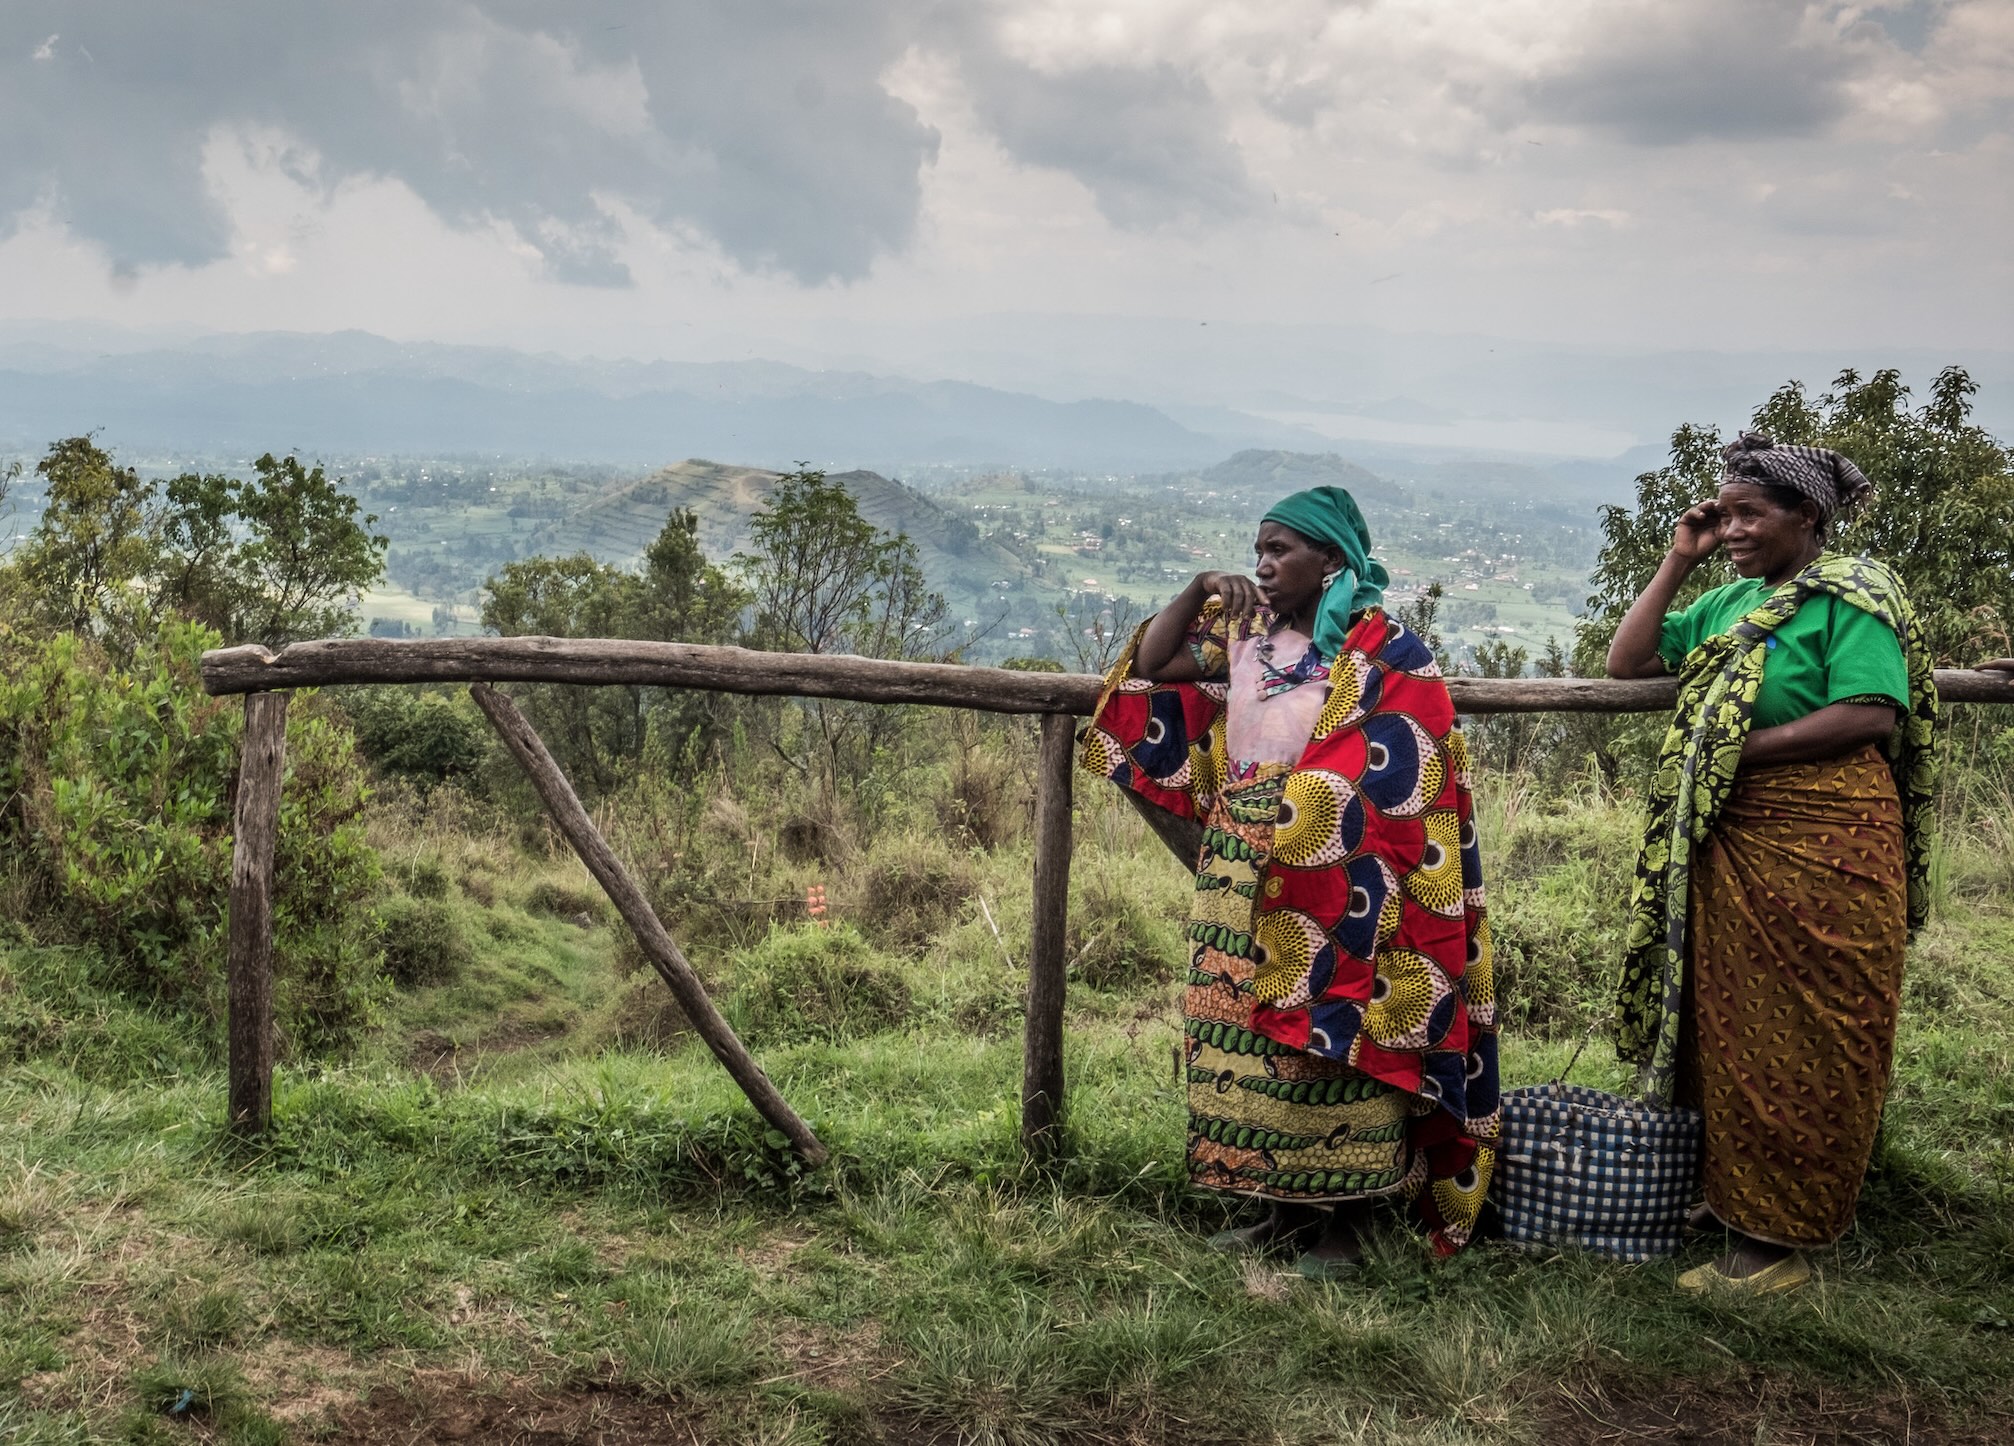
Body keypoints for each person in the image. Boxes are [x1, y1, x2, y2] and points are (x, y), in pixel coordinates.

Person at [1080, 486, 1497, 1278]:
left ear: (1331, 558)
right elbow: (1152, 666)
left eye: (1282, 551)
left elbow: (1418, 768)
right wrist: (1201, 586)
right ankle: (1272, 1212)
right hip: (1239, 863)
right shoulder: (1242, 634)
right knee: (1241, 1033)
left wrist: (1318, 818)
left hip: (1351, 884)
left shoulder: (1385, 650)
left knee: (1331, 1043)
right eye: (1258, 550)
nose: (1264, 567)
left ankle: (1343, 1227)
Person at [1605, 432, 1938, 1295]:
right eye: (1725, 513)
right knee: (1725, 1026)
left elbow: (1869, 715)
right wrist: (1682, 558)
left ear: (1808, 516)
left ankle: (1776, 1242)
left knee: (1811, 1031)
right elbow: (1626, 660)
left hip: (1829, 841)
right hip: (1734, 839)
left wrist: (1729, 751)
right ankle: (1725, 1199)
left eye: (1751, 513)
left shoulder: (1851, 598)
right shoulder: (1730, 605)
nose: (1735, 527)